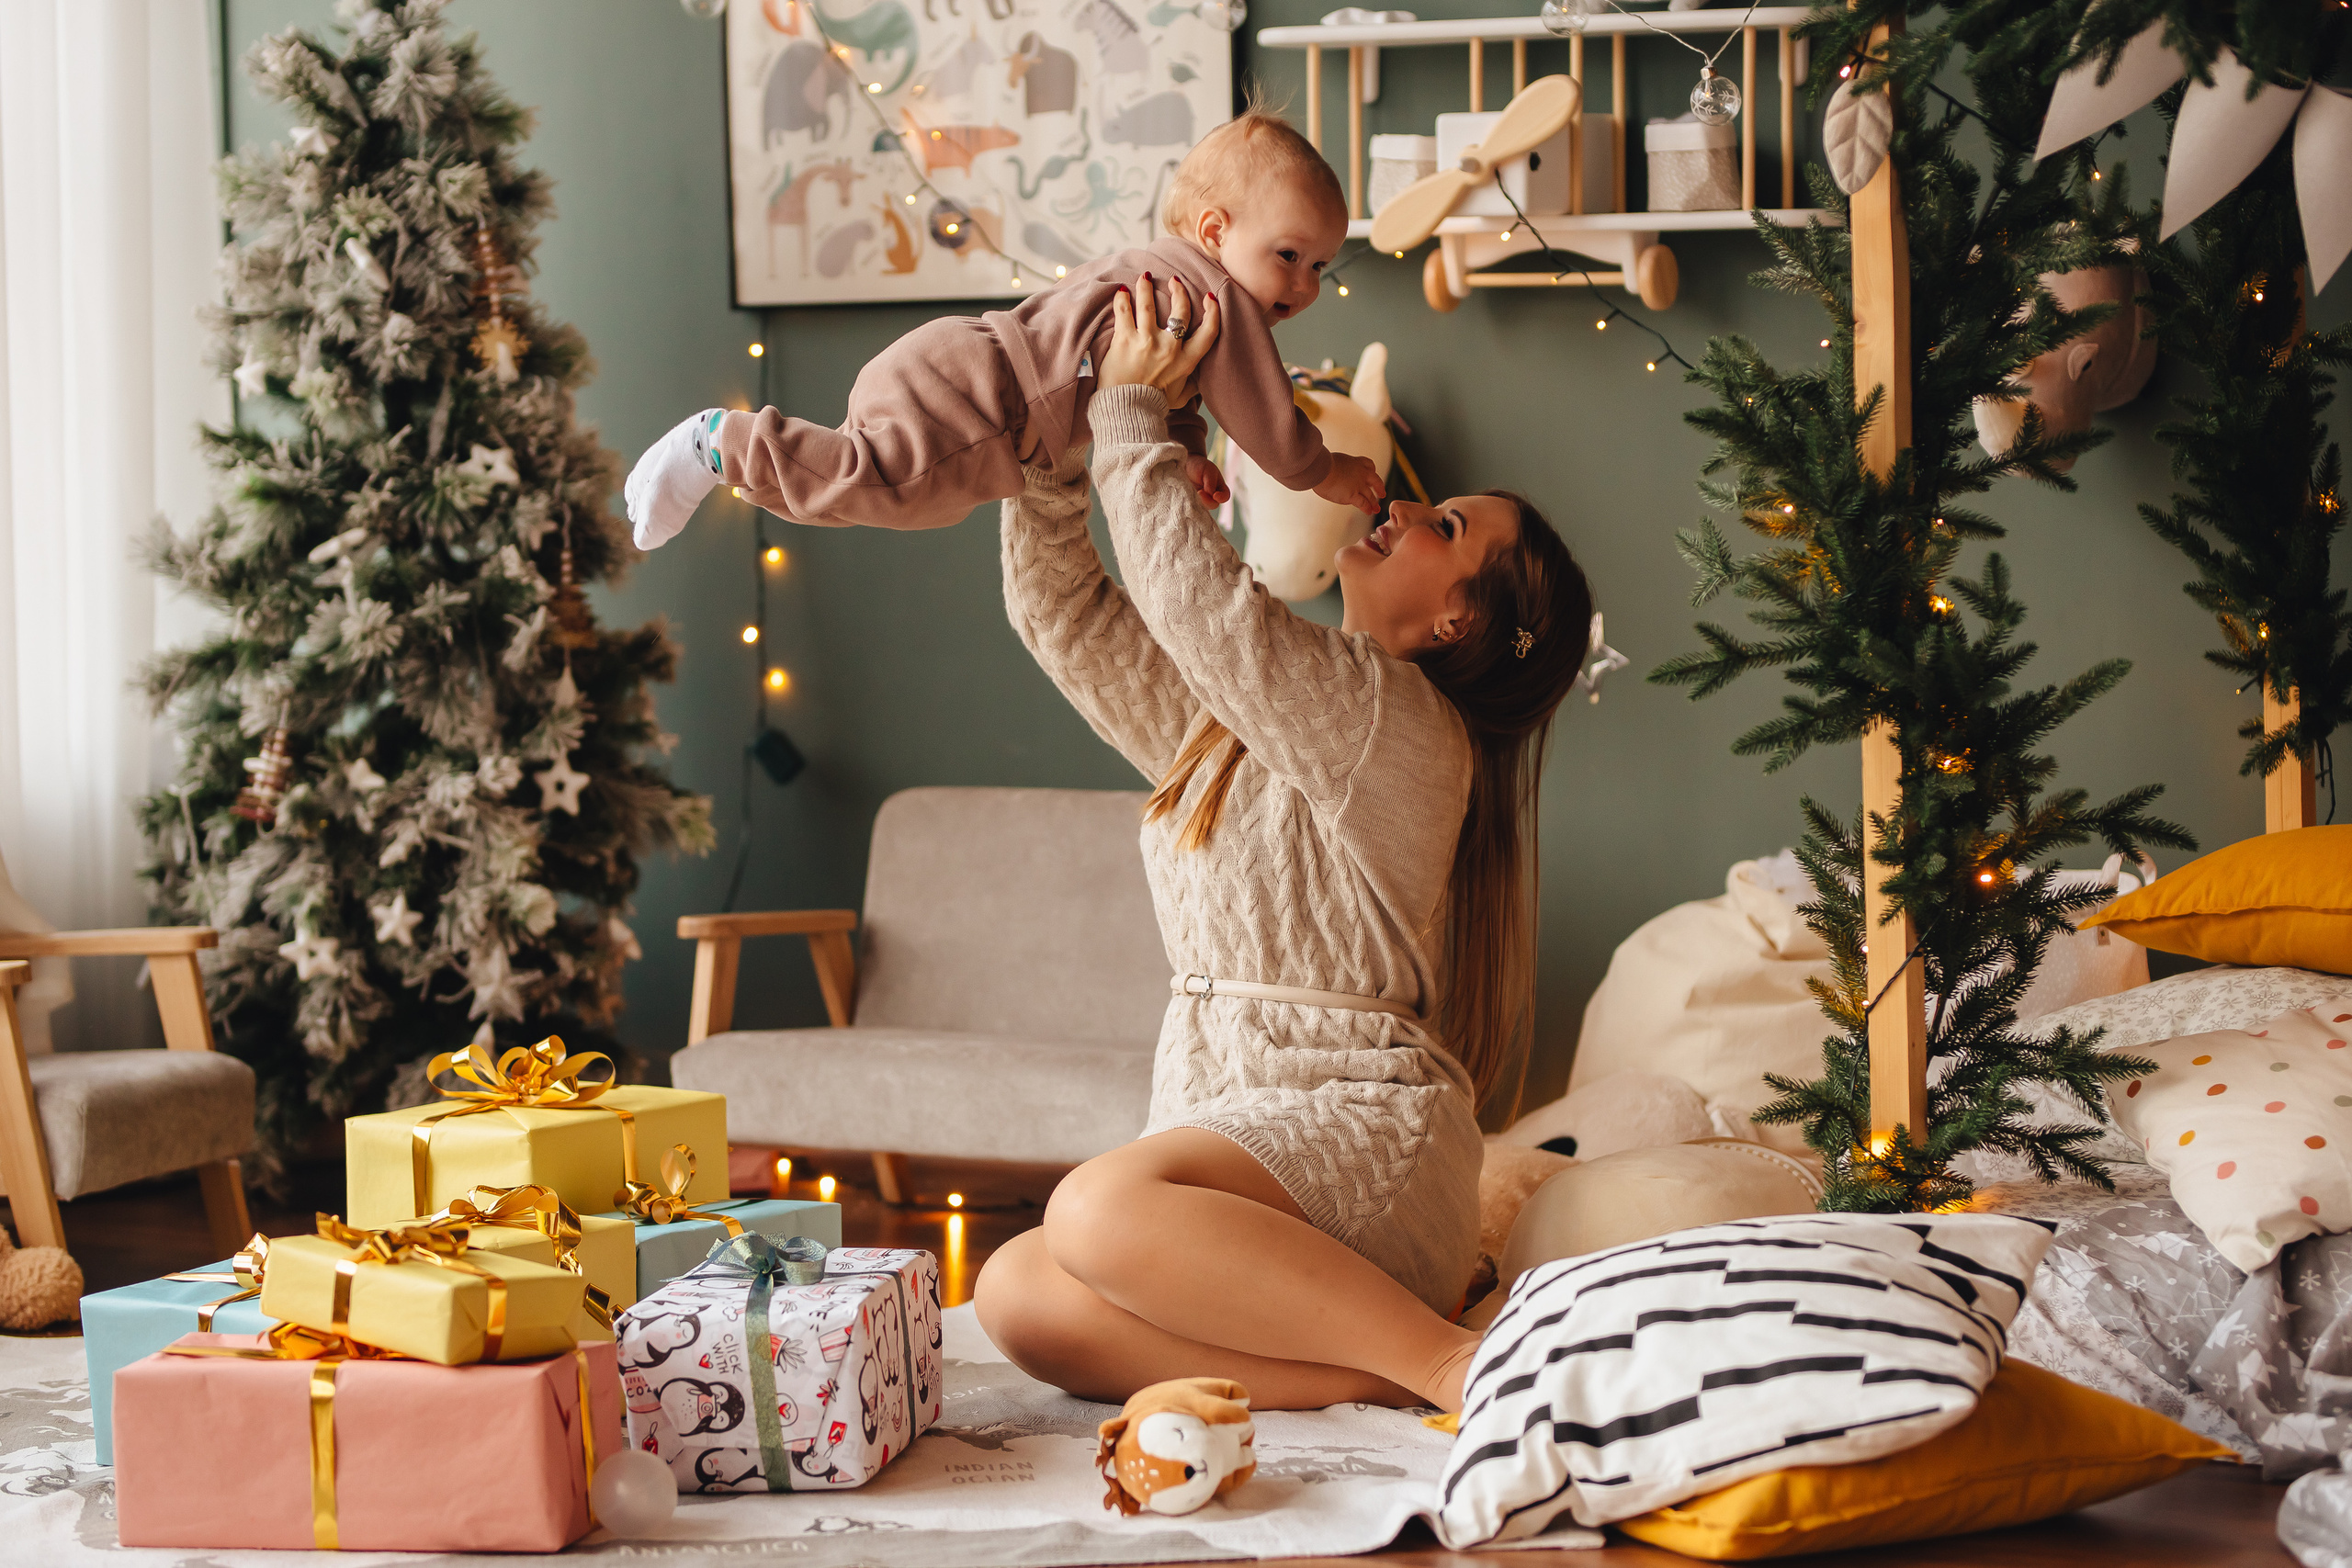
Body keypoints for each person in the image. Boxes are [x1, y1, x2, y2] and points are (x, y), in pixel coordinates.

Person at [974, 272, 1594, 1412]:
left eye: (1444, 526)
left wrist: (1131, 423)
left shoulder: (1405, 724)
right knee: (1015, 1290)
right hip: (1241, 1132)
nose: (1403, 509)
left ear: (1458, 619)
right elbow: (1063, 616)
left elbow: (1198, 606)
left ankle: (1445, 1362)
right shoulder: (1251, 723)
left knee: (1091, 1210)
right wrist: (1055, 447)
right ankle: (1374, 1374)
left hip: (1361, 1144)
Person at [623, 108, 1386, 547]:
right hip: (987, 399)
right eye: (1289, 255)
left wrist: (1183, 456)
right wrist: (1324, 471)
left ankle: (723, 458)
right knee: (873, 487)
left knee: (855, 489)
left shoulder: (1169, 283)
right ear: (1216, 232)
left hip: (962, 364)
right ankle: (717, 442)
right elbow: (1263, 414)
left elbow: (1171, 391)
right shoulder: (1215, 295)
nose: (1304, 284)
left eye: (1321, 266)